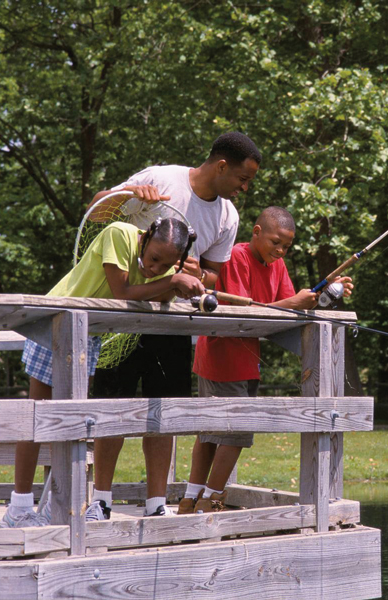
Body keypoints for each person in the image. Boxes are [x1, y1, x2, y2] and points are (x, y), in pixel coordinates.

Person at [85, 132, 261, 520]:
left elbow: (215, 276)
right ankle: (100, 501)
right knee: (114, 411)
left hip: (174, 324)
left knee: (162, 416)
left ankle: (155, 504)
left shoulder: (227, 216)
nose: (245, 188)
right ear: (221, 166)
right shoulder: (163, 179)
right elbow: (96, 209)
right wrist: (129, 193)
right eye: (242, 179)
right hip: (124, 318)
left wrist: (201, 273)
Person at [1, 219, 204, 527]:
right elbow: (121, 290)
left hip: (88, 332)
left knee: (72, 421)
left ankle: (49, 509)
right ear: (146, 236)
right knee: (38, 418)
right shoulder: (119, 234)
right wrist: (173, 282)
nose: (154, 268)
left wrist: (180, 279)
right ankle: (17, 509)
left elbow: (157, 295)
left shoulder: (163, 271)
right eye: (153, 258)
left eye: (165, 264)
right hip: (56, 321)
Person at [177, 206, 353, 514]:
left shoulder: (278, 266)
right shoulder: (236, 257)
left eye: (287, 246)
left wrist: (325, 293)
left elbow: (285, 312)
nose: (281, 250)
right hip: (221, 356)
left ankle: (191, 501)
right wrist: (293, 301)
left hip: (246, 361)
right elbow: (244, 312)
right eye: (275, 242)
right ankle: (209, 500)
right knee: (232, 432)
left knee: (214, 433)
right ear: (256, 232)